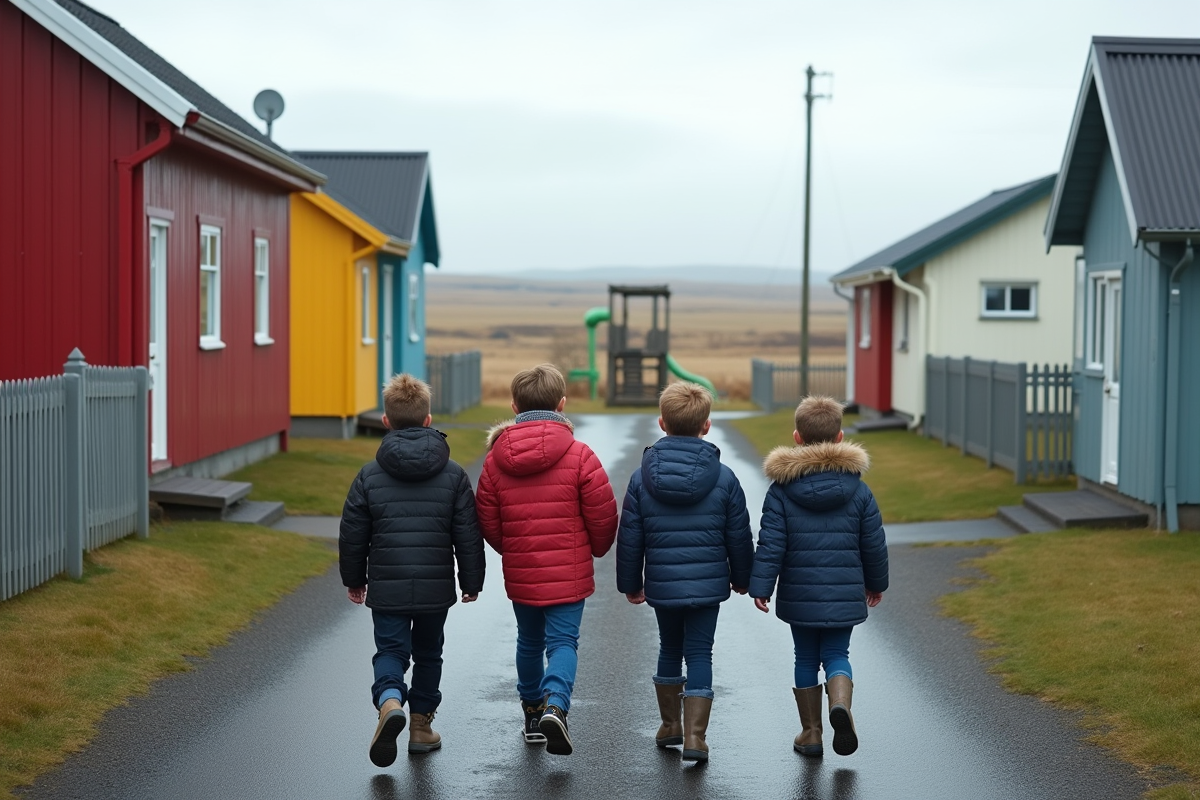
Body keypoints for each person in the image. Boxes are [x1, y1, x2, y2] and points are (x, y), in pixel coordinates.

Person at [339, 374, 485, 768]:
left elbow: (353, 533)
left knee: (390, 650)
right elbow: (467, 533)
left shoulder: (370, 475)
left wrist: (355, 579)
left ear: (386, 421)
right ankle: (421, 728)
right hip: (435, 589)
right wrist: (471, 582)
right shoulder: (453, 473)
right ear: (428, 419)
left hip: (388, 587)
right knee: (429, 653)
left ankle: (389, 703)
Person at [475, 363, 618, 756]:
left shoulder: (494, 460)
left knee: (528, 641)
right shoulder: (579, 455)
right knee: (562, 642)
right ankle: (557, 703)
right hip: (569, 572)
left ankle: (533, 715)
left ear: (514, 405)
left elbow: (487, 517)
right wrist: (596, 548)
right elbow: (603, 514)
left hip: (523, 568)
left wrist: (513, 548)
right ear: (562, 404)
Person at [615, 382, 754, 762]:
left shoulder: (642, 478)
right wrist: (743, 578)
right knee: (700, 653)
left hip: (663, 582)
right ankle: (696, 737)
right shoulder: (725, 479)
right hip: (709, 586)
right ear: (706, 426)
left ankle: (670, 726)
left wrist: (631, 583)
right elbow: (738, 535)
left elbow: (630, 536)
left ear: (662, 423)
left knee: (669, 648)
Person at [749, 395, 888, 758]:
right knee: (837, 653)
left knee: (805, 659)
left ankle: (810, 734)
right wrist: (876, 584)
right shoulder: (858, 490)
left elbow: (771, 543)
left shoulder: (781, 491)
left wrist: (761, 587)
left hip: (800, 593)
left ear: (797, 437)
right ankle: (839, 707)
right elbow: (873, 543)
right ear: (840, 437)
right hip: (844, 593)